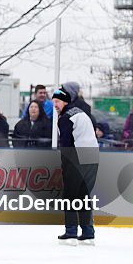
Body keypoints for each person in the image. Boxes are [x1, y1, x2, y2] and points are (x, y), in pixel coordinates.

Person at [52, 85, 99, 245]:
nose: (55, 105)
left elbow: (66, 146)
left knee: (70, 196)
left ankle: (71, 231)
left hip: (78, 157)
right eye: (54, 102)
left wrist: (65, 167)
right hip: (92, 156)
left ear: (65, 101)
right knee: (84, 196)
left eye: (58, 101)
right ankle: (88, 232)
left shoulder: (65, 118)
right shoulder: (80, 112)